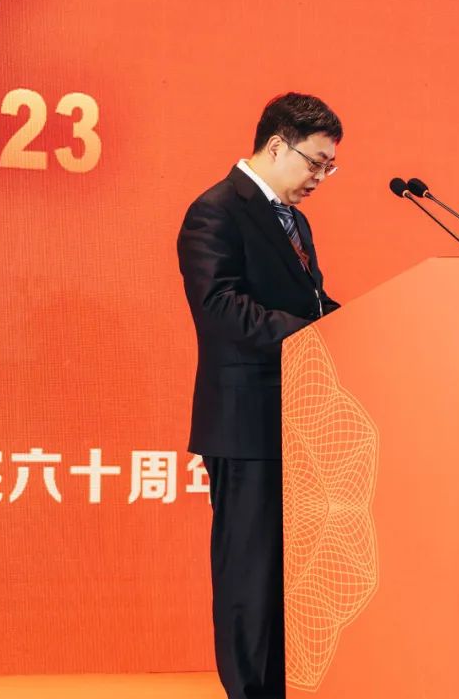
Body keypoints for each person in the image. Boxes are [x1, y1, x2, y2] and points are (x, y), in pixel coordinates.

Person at [177, 92, 342, 699]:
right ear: (277, 145)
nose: (321, 177)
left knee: (284, 573)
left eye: (329, 167)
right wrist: (317, 332)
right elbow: (220, 307)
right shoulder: (216, 211)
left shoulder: (294, 221)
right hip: (245, 424)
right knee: (248, 575)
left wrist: (362, 325)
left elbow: (313, 303)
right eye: (316, 162)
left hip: (295, 419)